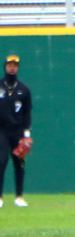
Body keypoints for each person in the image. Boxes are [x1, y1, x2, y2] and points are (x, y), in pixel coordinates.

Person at [0, 54, 32, 208]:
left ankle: (19, 197)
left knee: (19, 163)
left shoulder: (23, 89)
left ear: (18, 68)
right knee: (1, 161)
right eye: (9, 65)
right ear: (5, 67)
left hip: (17, 131)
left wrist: (26, 133)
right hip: (1, 131)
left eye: (15, 65)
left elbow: (27, 112)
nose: (12, 68)